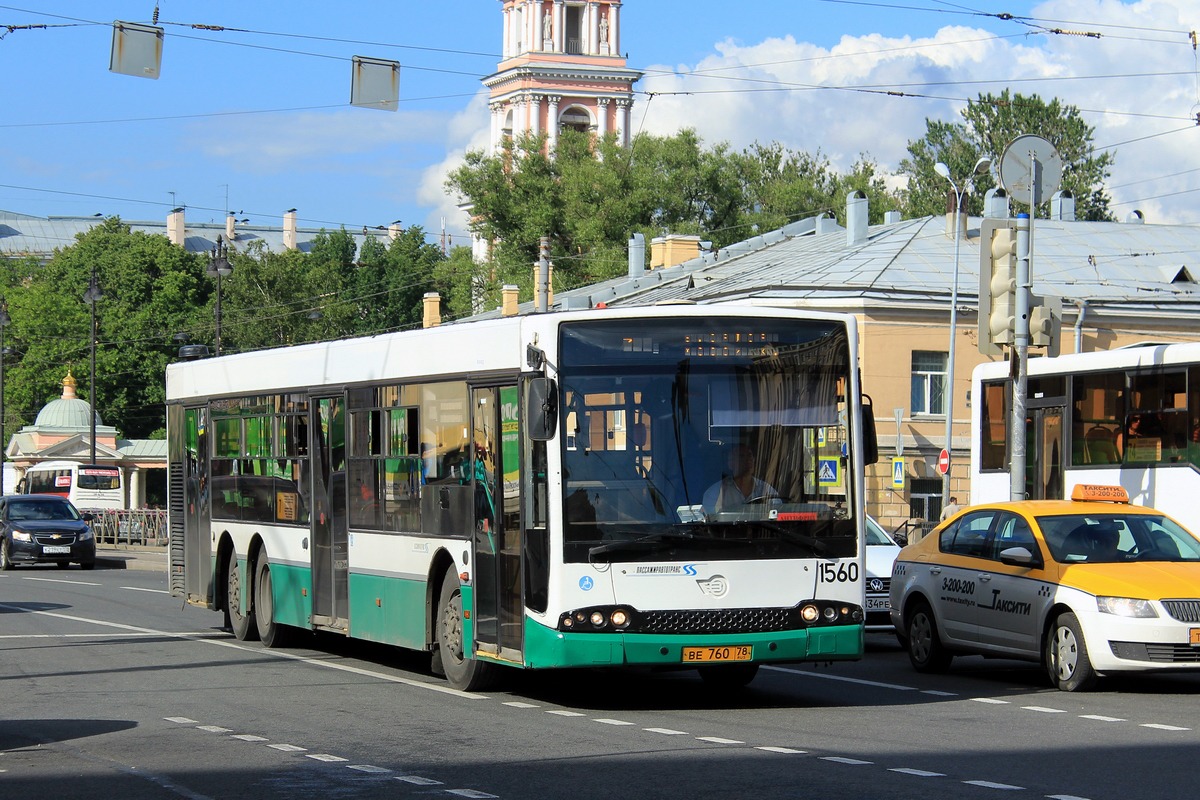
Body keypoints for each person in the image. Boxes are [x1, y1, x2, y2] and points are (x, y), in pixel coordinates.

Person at [702, 444, 779, 515]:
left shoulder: (766, 490)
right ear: (730, 464)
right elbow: (710, 521)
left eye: (749, 455)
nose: (748, 460)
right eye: (741, 456)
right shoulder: (715, 493)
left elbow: (778, 512)